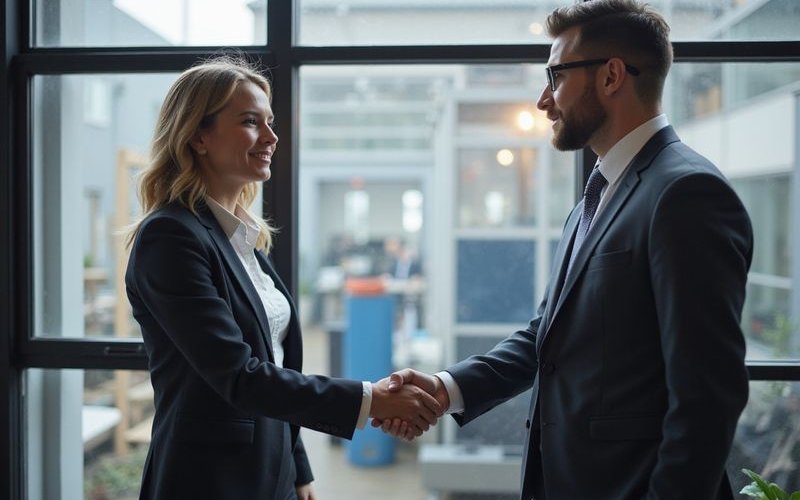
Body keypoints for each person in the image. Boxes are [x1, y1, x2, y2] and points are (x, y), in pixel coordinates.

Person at [378, 1, 753, 498]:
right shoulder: (593, 200)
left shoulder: (686, 194)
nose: (543, 100)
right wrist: (446, 389)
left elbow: (707, 396)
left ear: (611, 76)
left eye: (555, 76)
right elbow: (547, 338)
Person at [125, 56, 442, 500]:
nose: (272, 138)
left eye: (270, 123)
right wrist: (374, 399)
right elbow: (240, 375)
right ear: (198, 135)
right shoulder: (171, 237)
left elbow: (273, 364)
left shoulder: (242, 238)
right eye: (250, 122)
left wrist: (298, 468)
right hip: (212, 480)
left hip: (273, 471)